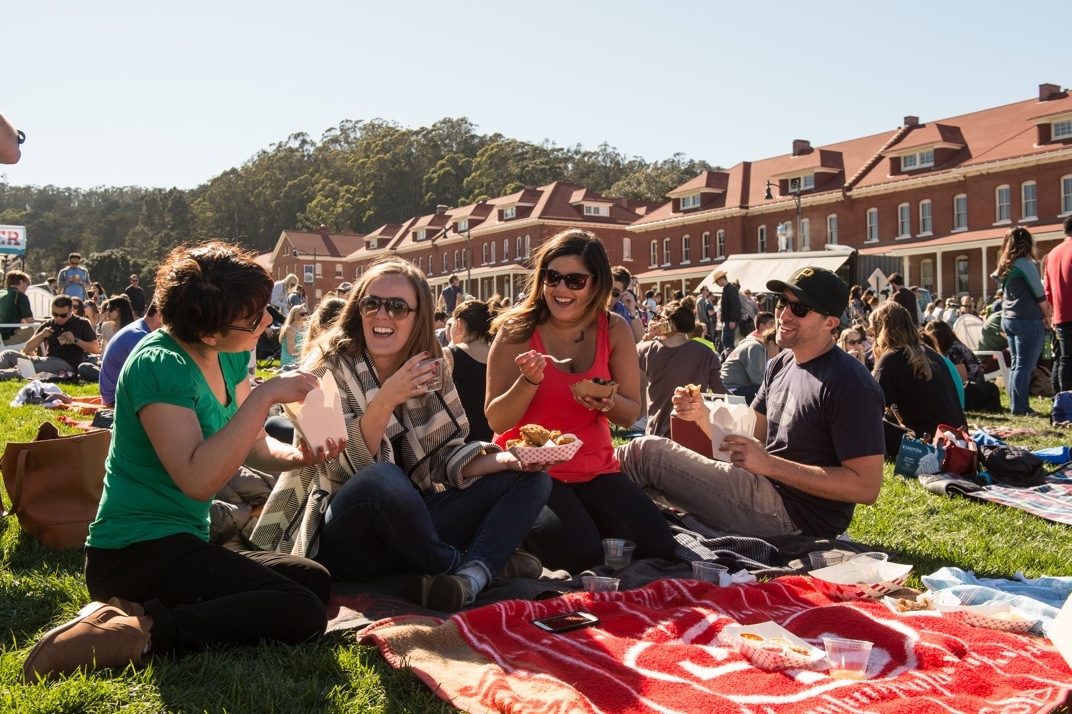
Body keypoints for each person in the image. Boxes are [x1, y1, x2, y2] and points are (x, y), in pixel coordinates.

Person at [21, 242, 344, 682]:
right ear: (209, 333)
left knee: (313, 581)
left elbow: (252, 443)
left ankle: (139, 612)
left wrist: (299, 456)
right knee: (303, 610)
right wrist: (265, 396)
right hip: (133, 552)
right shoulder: (159, 364)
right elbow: (196, 479)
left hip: (185, 539)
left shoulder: (228, 353)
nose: (269, 321)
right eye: (255, 318)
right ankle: (142, 633)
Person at [251, 258, 551, 613]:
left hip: (412, 529)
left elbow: (442, 459)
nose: (382, 315)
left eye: (396, 307)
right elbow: (336, 464)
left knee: (533, 479)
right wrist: (387, 398)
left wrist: (505, 460)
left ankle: (466, 578)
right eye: (371, 303)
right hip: (343, 533)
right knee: (383, 478)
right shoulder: (323, 367)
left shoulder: (429, 369)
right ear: (358, 309)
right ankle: (467, 568)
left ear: (417, 317)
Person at [616, 266, 885, 539]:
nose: (784, 314)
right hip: (760, 487)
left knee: (645, 454)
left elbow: (866, 487)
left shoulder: (850, 384)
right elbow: (750, 435)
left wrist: (770, 465)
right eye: (782, 302)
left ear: (830, 323)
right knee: (638, 466)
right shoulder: (782, 363)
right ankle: (608, 534)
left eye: (800, 308)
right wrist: (703, 416)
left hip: (794, 515)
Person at [486, 229, 677, 573]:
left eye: (575, 281)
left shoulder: (614, 328)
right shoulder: (517, 330)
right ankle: (518, 538)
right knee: (576, 552)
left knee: (657, 545)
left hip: (594, 469)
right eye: (552, 277)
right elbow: (496, 420)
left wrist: (607, 402)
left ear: (596, 284)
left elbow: (631, 412)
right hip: (530, 471)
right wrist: (528, 382)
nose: (561, 289)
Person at [870, 301, 965, 456]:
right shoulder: (932, 354)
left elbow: (869, 408)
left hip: (926, 445)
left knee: (860, 420)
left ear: (880, 332)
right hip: (955, 443)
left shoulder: (892, 358)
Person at [637, 295, 724, 437]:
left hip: (657, 435)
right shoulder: (706, 352)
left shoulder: (647, 349)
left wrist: (648, 336)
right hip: (696, 435)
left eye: (659, 319)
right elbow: (720, 392)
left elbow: (626, 360)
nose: (656, 322)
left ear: (669, 323)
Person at [996, 226, 1052, 415]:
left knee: (1017, 364)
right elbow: (1039, 292)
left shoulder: (1006, 265)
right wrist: (1047, 315)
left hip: (1009, 319)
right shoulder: (1025, 264)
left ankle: (1017, 406)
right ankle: (1021, 408)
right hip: (1027, 320)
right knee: (1025, 366)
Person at [0, 294, 98, 379]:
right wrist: (42, 335)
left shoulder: (82, 323)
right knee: (8, 354)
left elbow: (96, 349)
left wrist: (75, 340)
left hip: (66, 364)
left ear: (71, 310)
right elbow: (28, 348)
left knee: (29, 370)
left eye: (63, 315)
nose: (58, 318)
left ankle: (4, 374)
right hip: (47, 360)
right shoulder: (50, 323)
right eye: (55, 314)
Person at [445, 297, 502, 442]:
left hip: (459, 443)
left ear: (459, 324)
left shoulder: (450, 354)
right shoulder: (498, 354)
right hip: (493, 440)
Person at [96, 302, 163, 406]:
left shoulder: (138, 328)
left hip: (114, 395)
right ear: (159, 316)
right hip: (117, 399)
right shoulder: (138, 335)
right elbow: (152, 375)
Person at [1044, 216, 1072, 393]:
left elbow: (1047, 290)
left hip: (1060, 314)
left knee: (1064, 358)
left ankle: (1062, 398)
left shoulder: (1052, 254)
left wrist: (1051, 314)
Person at [721, 327, 779, 404]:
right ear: (771, 343)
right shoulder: (756, 348)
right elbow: (757, 379)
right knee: (769, 390)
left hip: (733, 386)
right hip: (731, 389)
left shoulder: (755, 346)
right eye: (781, 349)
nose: (781, 353)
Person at [0, 269, 36, 345]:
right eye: (27, 284)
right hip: (7, 338)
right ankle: (46, 352)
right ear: (21, 282)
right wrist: (46, 322)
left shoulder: (2, 293)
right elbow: (30, 321)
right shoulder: (19, 295)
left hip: (2, 335)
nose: (27, 287)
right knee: (41, 329)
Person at [713, 270, 740, 351]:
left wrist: (733, 320)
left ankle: (731, 356)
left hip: (730, 320)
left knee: (727, 341)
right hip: (728, 319)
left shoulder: (731, 289)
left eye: (717, 282)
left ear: (721, 279)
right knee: (726, 341)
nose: (717, 284)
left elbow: (735, 305)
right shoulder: (728, 289)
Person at [278, 304, 307, 369]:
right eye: (302, 314)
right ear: (295, 316)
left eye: (306, 313)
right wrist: (304, 356)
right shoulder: (291, 328)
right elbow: (291, 351)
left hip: (300, 357)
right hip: (290, 359)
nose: (305, 316)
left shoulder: (304, 328)